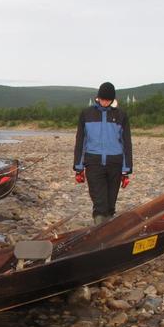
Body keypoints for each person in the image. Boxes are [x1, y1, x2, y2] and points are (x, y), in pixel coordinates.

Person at [73, 81, 133, 225]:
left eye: (108, 100)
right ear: (98, 97)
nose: (105, 102)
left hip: (115, 164)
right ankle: (100, 231)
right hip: (93, 163)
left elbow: (126, 143)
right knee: (100, 204)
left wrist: (126, 171)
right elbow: (81, 141)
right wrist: (78, 168)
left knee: (111, 204)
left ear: (113, 99)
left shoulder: (121, 115)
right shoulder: (86, 114)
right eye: (103, 99)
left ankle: (108, 230)